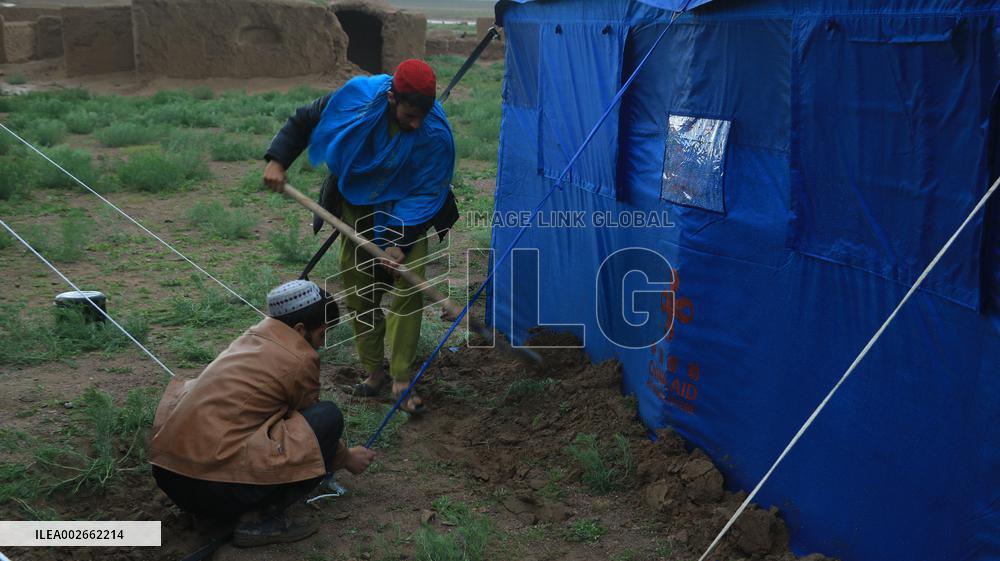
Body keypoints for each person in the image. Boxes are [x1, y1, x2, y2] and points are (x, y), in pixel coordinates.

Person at [262, 59, 459, 414]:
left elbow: (429, 190)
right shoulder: (357, 101)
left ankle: (401, 378)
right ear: (391, 98)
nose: (416, 124)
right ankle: (373, 373)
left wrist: (399, 240)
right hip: (358, 206)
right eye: (409, 116)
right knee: (359, 291)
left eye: (422, 117)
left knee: (408, 291)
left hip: (408, 211)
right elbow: (305, 119)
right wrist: (278, 161)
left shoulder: (434, 134)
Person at [148, 280, 376, 547]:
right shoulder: (300, 358)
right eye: (322, 334)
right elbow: (309, 431)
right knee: (327, 417)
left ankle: (212, 513)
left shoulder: (250, 338)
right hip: (214, 489)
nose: (322, 344)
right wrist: (346, 457)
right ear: (299, 329)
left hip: (168, 475)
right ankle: (258, 520)